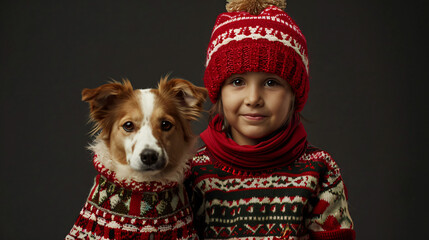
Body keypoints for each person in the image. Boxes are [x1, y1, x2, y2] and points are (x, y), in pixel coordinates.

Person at [185, 0, 355, 239]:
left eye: (271, 83)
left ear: (294, 94)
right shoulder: (193, 172)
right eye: (237, 82)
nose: (253, 98)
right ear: (218, 91)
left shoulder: (320, 171)